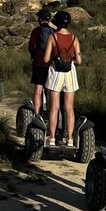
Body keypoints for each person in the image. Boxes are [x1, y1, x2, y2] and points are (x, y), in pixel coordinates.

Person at [43, 10, 81, 146]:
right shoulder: (74, 38)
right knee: (69, 108)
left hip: (56, 73)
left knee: (54, 107)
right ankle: (70, 139)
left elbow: (46, 58)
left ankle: (52, 137)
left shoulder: (52, 37)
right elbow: (79, 60)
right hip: (70, 73)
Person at [27, 9, 53, 112]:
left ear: (39, 19)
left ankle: (37, 113)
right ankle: (52, 113)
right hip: (51, 64)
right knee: (51, 90)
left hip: (38, 62)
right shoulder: (53, 32)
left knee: (38, 90)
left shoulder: (36, 31)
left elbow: (31, 47)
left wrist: (34, 55)